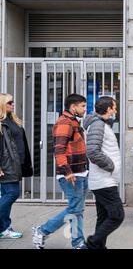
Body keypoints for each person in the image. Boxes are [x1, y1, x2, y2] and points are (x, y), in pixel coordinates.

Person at [32, 94, 88, 249]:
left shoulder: (73, 121)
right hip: (71, 174)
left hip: (81, 172)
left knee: (78, 209)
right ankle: (42, 230)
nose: (85, 109)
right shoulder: (65, 123)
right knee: (75, 208)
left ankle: (78, 242)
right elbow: (59, 150)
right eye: (82, 106)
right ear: (73, 107)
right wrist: (67, 171)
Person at [83, 96, 124, 249]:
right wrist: (111, 166)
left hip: (104, 180)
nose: (116, 110)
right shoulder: (98, 125)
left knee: (104, 217)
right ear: (108, 109)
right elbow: (92, 151)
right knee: (117, 216)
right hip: (104, 180)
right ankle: (91, 244)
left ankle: (98, 247)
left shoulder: (102, 124)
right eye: (114, 107)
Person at [0, 93, 33, 239]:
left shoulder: (12, 120)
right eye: (9, 102)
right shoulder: (1, 123)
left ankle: (4, 228)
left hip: (15, 164)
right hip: (6, 165)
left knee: (9, 193)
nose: (13, 104)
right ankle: (4, 227)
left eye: (13, 102)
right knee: (12, 193)